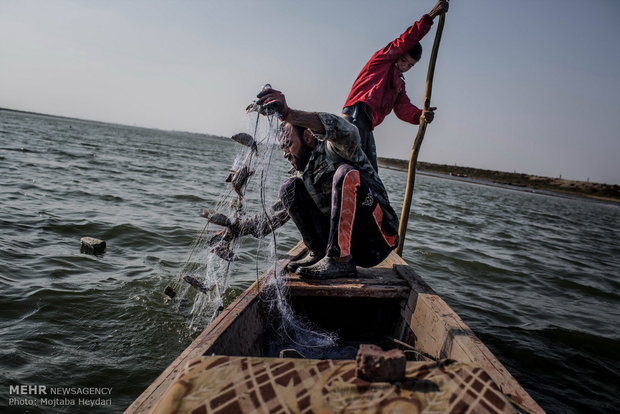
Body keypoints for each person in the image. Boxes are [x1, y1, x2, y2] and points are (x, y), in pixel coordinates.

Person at [241, 88, 400, 279]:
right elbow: (276, 214)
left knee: (346, 174)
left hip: (376, 242)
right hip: (348, 244)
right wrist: (237, 230)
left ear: (308, 137)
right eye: (282, 148)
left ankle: (340, 261)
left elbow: (349, 131)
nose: (285, 153)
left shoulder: (336, 148)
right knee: (289, 188)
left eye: (288, 145)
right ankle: (318, 253)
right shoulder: (303, 172)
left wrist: (288, 114)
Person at [342, 0, 449, 171]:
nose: (404, 66)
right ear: (399, 54)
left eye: (410, 65)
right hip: (355, 115)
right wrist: (430, 17)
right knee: (353, 168)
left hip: (368, 126)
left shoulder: (399, 85)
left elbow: (403, 108)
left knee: (372, 175)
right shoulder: (382, 60)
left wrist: (420, 116)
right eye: (403, 60)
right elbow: (405, 41)